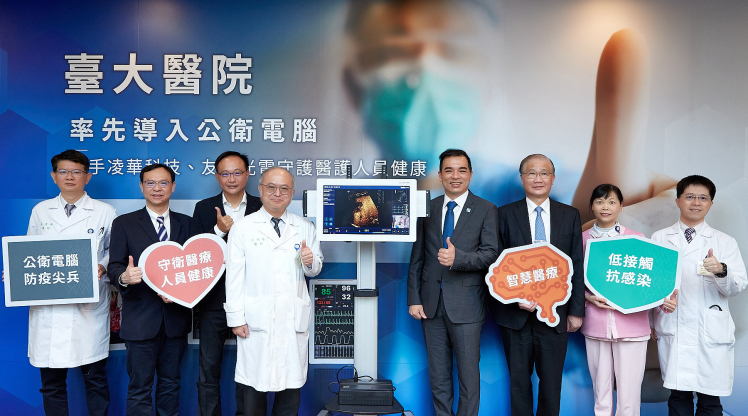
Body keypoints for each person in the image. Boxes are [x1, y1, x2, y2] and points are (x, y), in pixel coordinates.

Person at [23, 150, 116, 416]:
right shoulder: (41, 211)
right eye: (63, 171)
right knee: (51, 385)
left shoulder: (105, 212)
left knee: (95, 380)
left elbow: (114, 252)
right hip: (49, 309)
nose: (69, 177)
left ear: (88, 176)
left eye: (76, 172)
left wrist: (102, 266)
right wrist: (20, 273)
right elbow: (28, 252)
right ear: (54, 176)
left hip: (87, 307)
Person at [407, 149, 499, 416]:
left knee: (469, 377)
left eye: (461, 170)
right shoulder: (428, 208)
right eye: (449, 170)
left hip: (467, 305)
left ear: (470, 174)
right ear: (440, 175)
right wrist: (414, 298)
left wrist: (459, 258)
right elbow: (417, 257)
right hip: (430, 305)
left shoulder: (486, 209)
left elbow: (491, 254)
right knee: (438, 375)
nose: (455, 176)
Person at [224, 166, 323, 416]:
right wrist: (236, 318)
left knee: (289, 390)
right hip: (256, 320)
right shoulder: (243, 227)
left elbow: (314, 269)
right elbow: (234, 277)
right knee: (253, 390)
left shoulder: (304, 227)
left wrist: (310, 261)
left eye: (284, 188)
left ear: (292, 193)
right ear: (260, 189)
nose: (277, 193)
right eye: (271, 187)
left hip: (291, 318)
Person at [494, 154, 585, 416]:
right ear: (522, 178)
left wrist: (576, 311)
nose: (538, 178)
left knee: (551, 385)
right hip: (515, 316)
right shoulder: (503, 214)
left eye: (544, 173)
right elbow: (495, 263)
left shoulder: (569, 215)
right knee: (519, 384)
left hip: (555, 314)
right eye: (531, 173)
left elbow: (576, 264)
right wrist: (515, 298)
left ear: (553, 178)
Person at [650, 175, 747, 416]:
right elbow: (650, 285)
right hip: (674, 325)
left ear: (710, 203)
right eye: (690, 197)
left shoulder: (725, 242)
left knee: (710, 401)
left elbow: (738, 286)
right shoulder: (660, 238)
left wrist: (721, 270)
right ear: (678, 201)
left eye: (703, 198)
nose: (696, 202)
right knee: (678, 398)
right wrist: (658, 309)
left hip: (710, 331)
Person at [581, 184, 678, 416]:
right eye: (600, 201)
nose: (605, 207)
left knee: (630, 395)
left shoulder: (636, 240)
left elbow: (649, 282)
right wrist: (588, 298)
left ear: (621, 207)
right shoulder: (580, 239)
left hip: (632, 327)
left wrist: (665, 303)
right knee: (601, 393)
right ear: (591, 206)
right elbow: (570, 281)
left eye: (612, 202)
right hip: (595, 325)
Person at [107, 163, 192, 416]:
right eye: (150, 183)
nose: (157, 188)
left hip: (175, 319)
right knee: (139, 388)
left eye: (163, 183)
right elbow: (114, 266)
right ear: (141, 187)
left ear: (173, 187)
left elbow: (197, 267)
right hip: (140, 319)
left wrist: (183, 291)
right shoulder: (124, 223)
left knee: (171, 384)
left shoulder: (188, 223)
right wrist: (124, 277)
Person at [190, 151, 262, 416]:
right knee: (208, 370)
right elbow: (196, 255)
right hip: (214, 300)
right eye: (225, 173)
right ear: (217, 176)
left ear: (247, 174)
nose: (232, 179)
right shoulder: (204, 208)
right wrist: (219, 231)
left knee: (251, 369)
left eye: (237, 173)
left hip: (253, 299)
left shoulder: (263, 206)